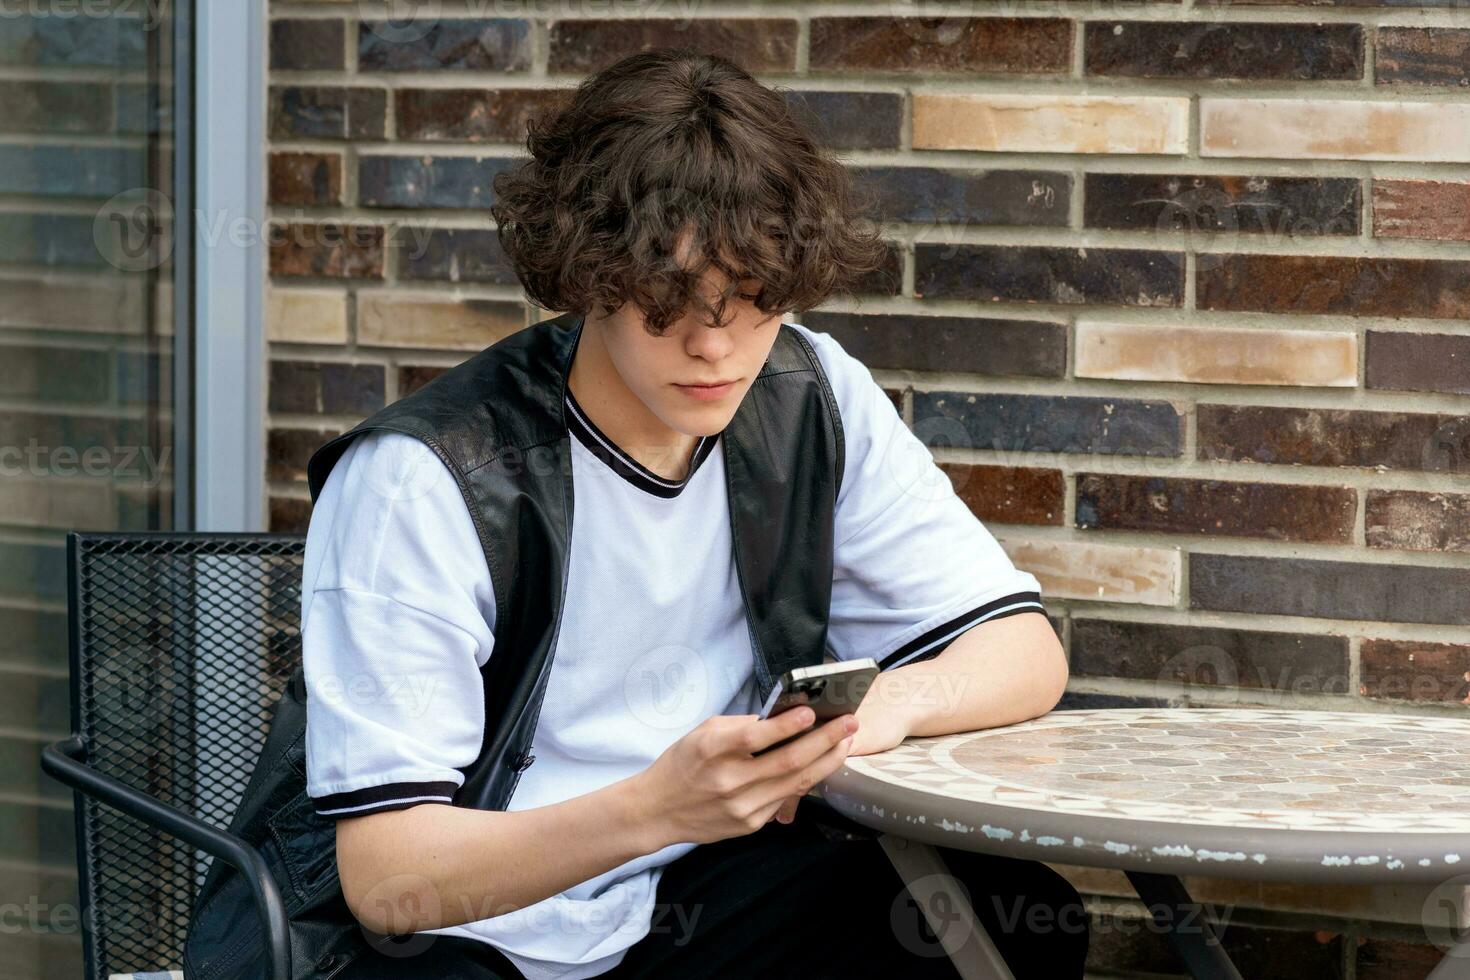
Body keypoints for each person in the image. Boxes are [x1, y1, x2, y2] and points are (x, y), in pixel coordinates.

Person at [303, 48, 1088, 980]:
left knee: (1009, 920)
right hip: (467, 930)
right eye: (667, 300)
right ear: (587, 276)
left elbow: (1025, 651)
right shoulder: (425, 477)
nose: (716, 346)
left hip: (680, 889)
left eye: (751, 300)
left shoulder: (810, 395)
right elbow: (390, 882)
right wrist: (659, 807)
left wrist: (889, 706)